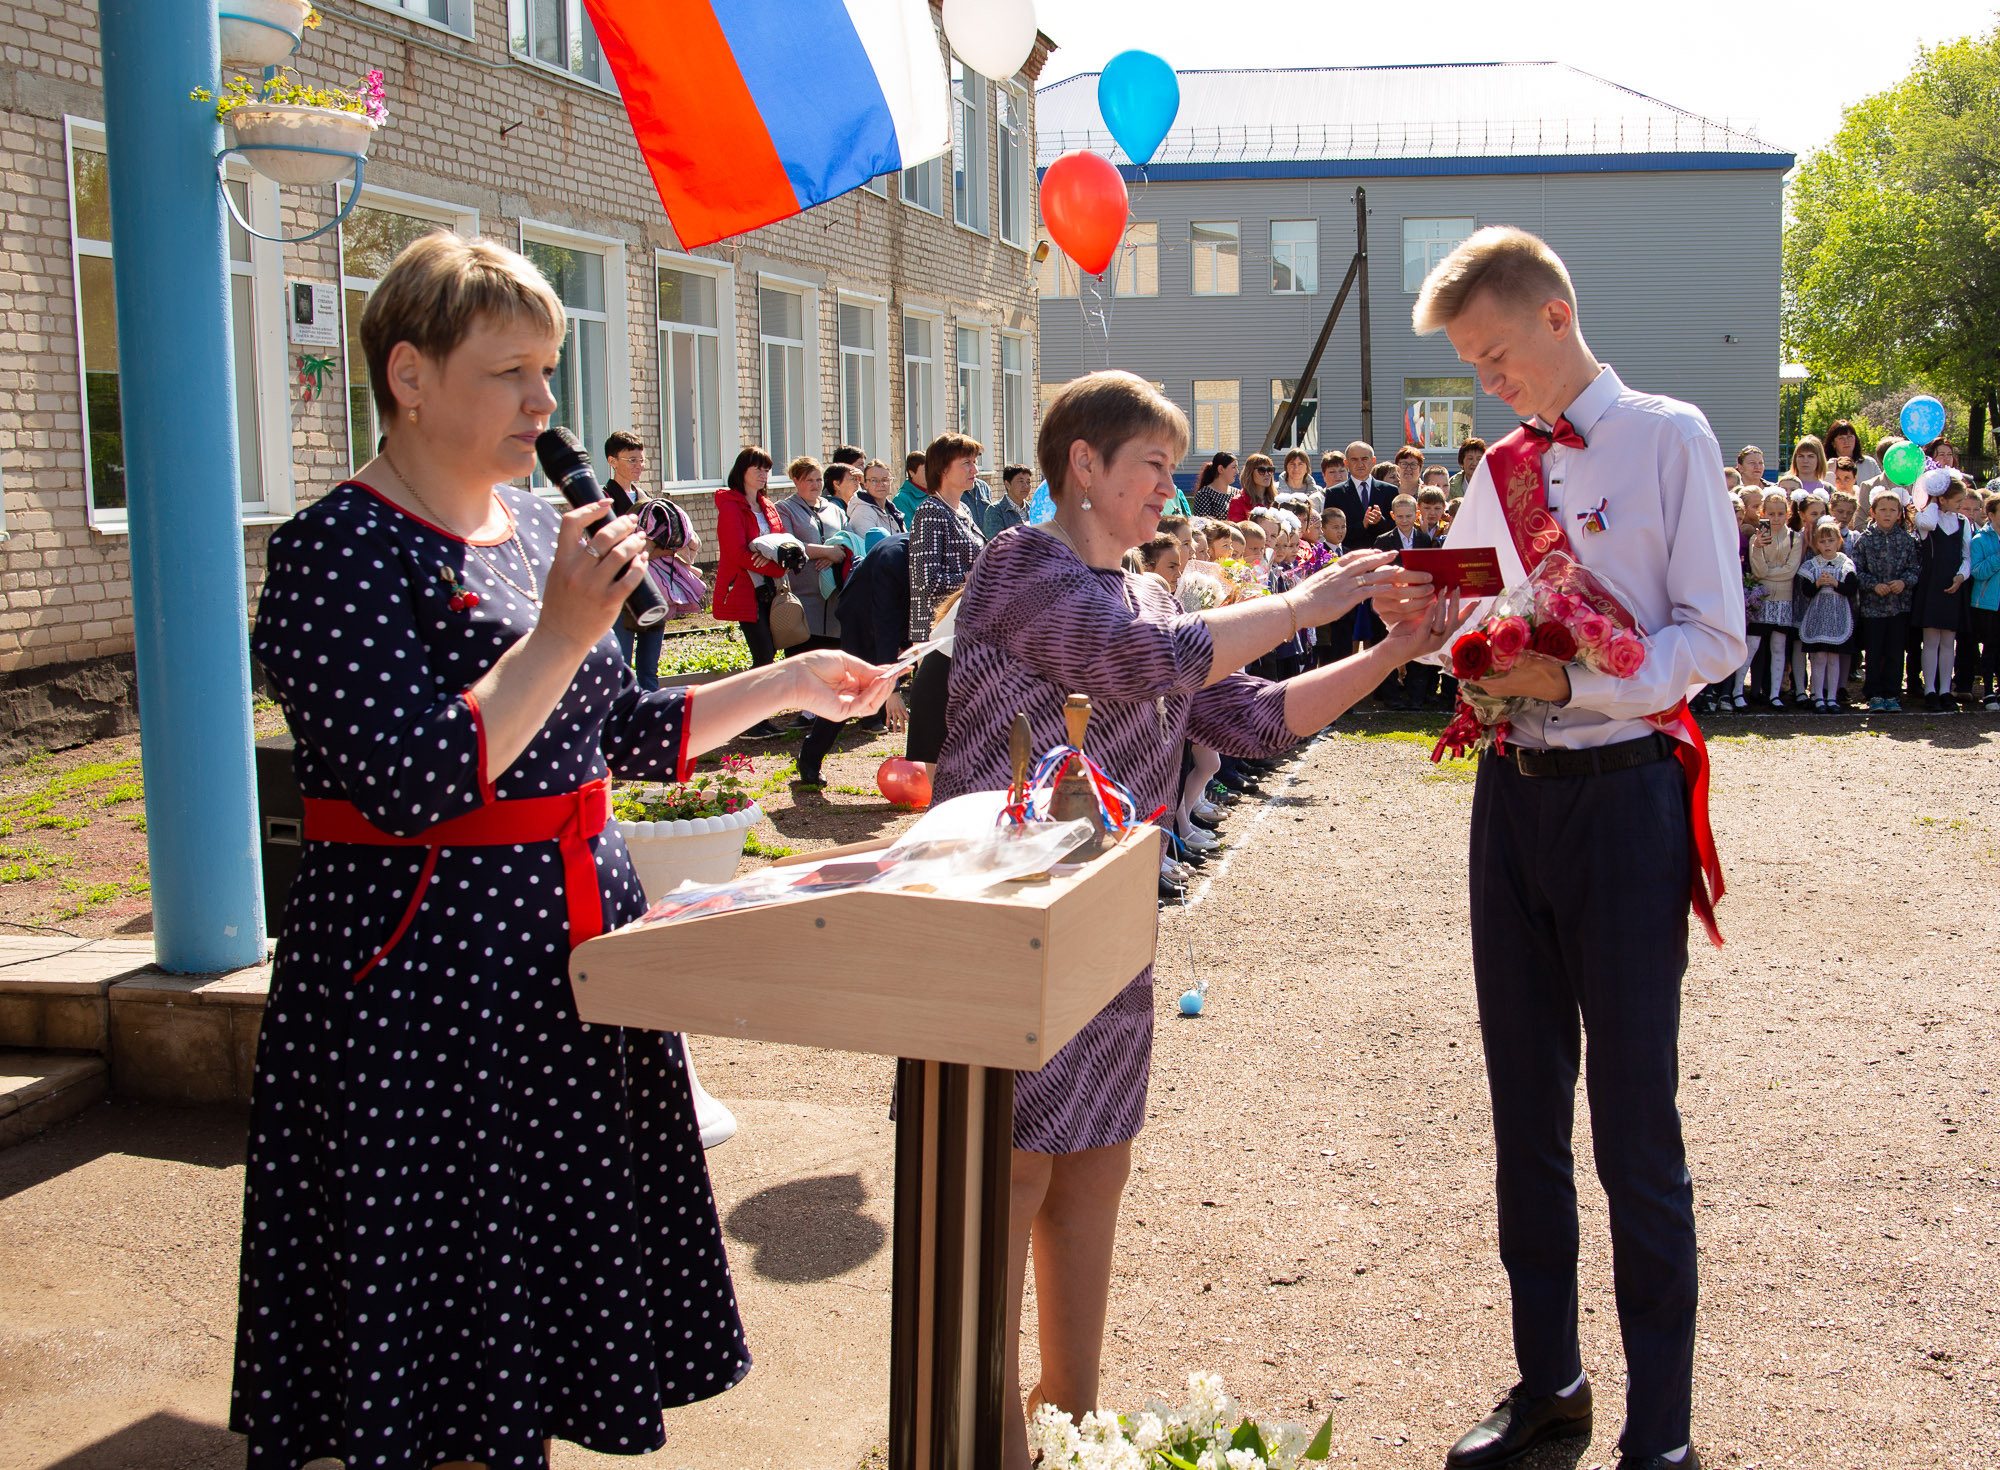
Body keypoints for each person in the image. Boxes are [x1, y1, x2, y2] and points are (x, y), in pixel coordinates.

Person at [233, 233, 895, 1470]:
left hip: (570, 954)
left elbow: (615, 732)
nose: (545, 406)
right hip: (422, 985)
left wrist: (791, 679)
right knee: (442, 1332)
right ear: (410, 376)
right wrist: (556, 633)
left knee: (536, 1314)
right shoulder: (335, 551)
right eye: (511, 373)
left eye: (551, 370)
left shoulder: (541, 531)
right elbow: (408, 781)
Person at [941, 370, 1459, 1469]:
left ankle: (1067, 1419)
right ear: (1082, 463)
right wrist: (1311, 601)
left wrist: (1384, 655)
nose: (1164, 496)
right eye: (1151, 470)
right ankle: (981, 1441)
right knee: (1011, 1177)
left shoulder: (1151, 595)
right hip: (997, 916)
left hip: (1105, 915)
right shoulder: (1018, 568)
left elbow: (1252, 718)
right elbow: (1148, 665)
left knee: (1093, 1167)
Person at [1412, 226, 1744, 1470]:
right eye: (1468, 362)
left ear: (1554, 315)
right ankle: (1547, 1381)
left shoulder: (1668, 436)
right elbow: (1477, 601)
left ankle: (1660, 1434)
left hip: (1621, 798)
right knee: (1520, 1110)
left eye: (1493, 352)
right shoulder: (1495, 465)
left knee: (1632, 1123)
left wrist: (1582, 682)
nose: (1486, 379)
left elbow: (1713, 638)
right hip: (1513, 796)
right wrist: (1435, 616)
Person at [711, 446, 795, 739]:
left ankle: (758, 718)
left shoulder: (767, 505)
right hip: (746, 590)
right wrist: (775, 568)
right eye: (757, 469)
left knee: (768, 653)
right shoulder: (731, 505)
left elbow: (782, 542)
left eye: (766, 469)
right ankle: (747, 720)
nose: (763, 474)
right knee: (762, 654)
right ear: (742, 472)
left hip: (769, 590)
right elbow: (735, 552)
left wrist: (776, 563)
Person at [908, 432, 987, 644]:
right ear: (943, 468)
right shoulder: (931, 511)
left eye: (975, 462)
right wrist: (971, 579)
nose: (975, 470)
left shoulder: (964, 509)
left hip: (961, 628)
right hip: (936, 632)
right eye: (966, 463)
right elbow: (928, 582)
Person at [604, 429, 666, 689]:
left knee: (649, 671)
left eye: (641, 460)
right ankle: (620, 723)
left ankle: (650, 721)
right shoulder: (603, 499)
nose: (638, 466)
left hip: (651, 588)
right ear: (612, 461)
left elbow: (669, 542)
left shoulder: (647, 499)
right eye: (631, 460)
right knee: (621, 668)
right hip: (619, 593)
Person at [1852, 487, 1922, 711]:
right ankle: (1873, 693)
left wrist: (1903, 582)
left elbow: (1915, 568)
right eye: (1883, 509)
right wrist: (1874, 585)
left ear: (1900, 514)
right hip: (1873, 608)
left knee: (1895, 652)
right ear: (1872, 512)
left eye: (1893, 510)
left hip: (1899, 607)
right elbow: (1856, 571)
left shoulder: (1908, 540)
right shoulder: (1864, 540)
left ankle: (1892, 693)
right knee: (1873, 652)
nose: (1888, 514)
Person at [1914, 482, 1972, 711]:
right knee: (1930, 641)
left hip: (1953, 584)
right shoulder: (1928, 518)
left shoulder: (1962, 522)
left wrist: (1961, 577)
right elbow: (1925, 522)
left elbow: (1966, 555)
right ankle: (1930, 690)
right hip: (1931, 585)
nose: (1961, 506)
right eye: (1957, 501)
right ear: (1943, 499)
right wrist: (1934, 502)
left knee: (1949, 642)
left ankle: (1946, 689)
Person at [1793, 516, 1859, 711]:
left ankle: (1832, 697)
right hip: (1818, 615)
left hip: (1838, 616)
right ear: (1817, 544)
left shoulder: (1845, 564)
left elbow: (1852, 589)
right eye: (1822, 541)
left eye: (1831, 540)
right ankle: (1818, 696)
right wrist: (1818, 583)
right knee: (1819, 657)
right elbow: (1806, 591)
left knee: (1833, 658)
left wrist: (1836, 583)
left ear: (1839, 542)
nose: (1827, 545)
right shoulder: (1812, 565)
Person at [1748, 490, 1803, 706]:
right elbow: (1758, 570)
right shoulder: (1757, 538)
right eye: (1771, 513)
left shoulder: (1795, 537)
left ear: (1787, 513)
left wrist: (1767, 572)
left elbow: (1790, 570)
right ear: (1763, 513)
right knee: (1753, 645)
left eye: (1780, 513)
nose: (1776, 518)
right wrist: (1759, 553)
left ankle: (1774, 694)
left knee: (1779, 646)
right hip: (1761, 599)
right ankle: (1737, 691)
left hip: (1784, 599)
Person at [1969, 494, 2000, 709]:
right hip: (1988, 604)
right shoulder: (1979, 540)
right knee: (1990, 648)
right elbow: (1978, 572)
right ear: (1990, 515)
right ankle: (1988, 690)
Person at [848, 457, 906, 537]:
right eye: (874, 480)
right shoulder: (862, 512)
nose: (880, 484)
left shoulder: (892, 511)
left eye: (885, 480)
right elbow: (872, 547)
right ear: (865, 484)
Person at [986, 462, 1036, 538]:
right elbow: (997, 544)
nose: (1026, 486)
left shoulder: (1033, 509)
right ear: (1007, 484)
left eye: (1028, 482)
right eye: (1021, 481)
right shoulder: (995, 511)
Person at [1823, 418, 1880, 484]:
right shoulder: (1826, 466)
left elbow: (1882, 487)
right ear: (1833, 443)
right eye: (1841, 438)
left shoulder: (1869, 463)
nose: (1846, 442)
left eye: (1849, 437)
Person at [1228, 452, 1277, 520]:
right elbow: (1236, 529)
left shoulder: (1277, 500)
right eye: (1261, 470)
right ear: (1250, 473)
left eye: (1270, 470)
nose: (1267, 474)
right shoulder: (1238, 502)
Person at [1190, 451, 1237, 519]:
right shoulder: (1205, 494)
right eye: (1233, 467)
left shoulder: (1237, 493)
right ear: (1220, 469)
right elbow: (1203, 525)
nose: (1237, 471)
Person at [892, 449, 928, 525]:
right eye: (926, 470)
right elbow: (908, 533)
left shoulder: (938, 493)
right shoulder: (901, 499)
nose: (930, 474)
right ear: (911, 472)